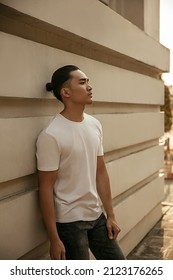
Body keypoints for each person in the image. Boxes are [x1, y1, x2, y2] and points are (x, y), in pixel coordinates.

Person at [36, 65, 125, 260]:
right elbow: (45, 188)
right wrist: (54, 239)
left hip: (96, 215)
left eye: (88, 82)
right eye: (83, 82)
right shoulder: (51, 135)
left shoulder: (94, 124)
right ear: (65, 92)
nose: (90, 87)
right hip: (69, 222)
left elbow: (100, 171)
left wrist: (110, 214)